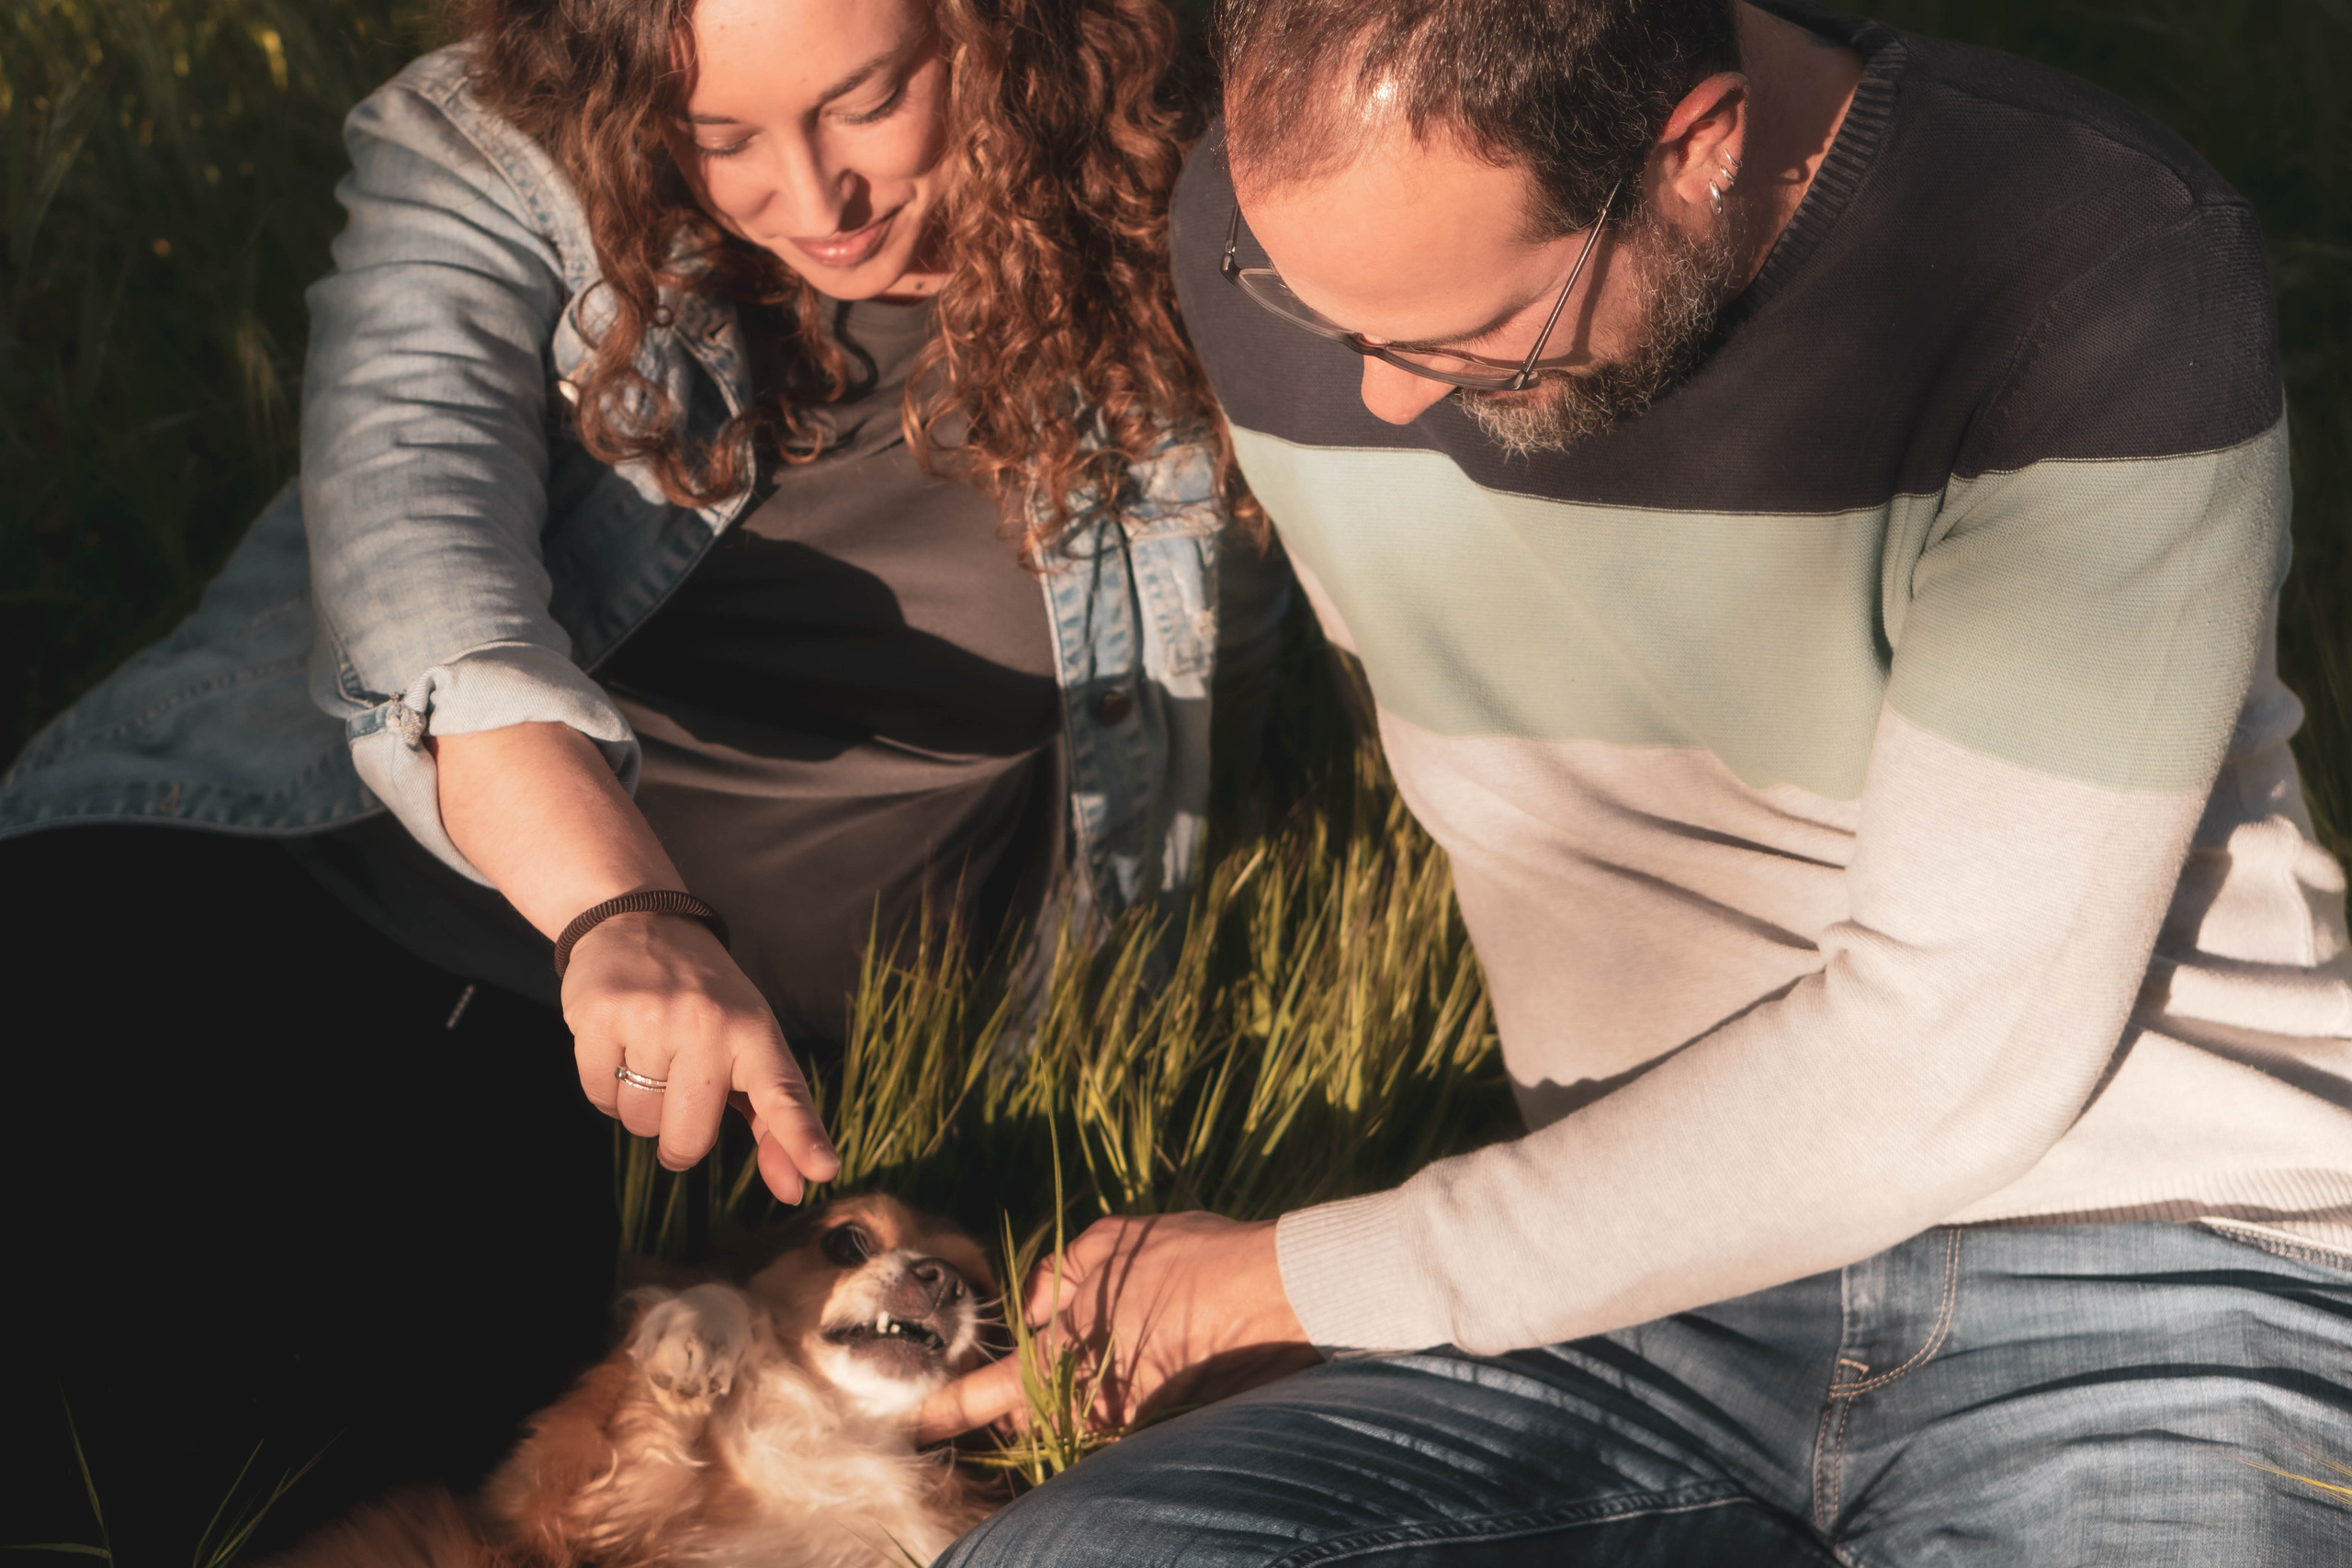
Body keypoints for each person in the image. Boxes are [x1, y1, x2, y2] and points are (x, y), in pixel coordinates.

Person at [922, 1, 2352, 1561]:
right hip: (1629, 1278)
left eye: (1470, 339)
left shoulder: (2092, 260)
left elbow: (1953, 1049)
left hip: (2147, 1259)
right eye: (1327, 319)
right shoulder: (1306, 262)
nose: (1382, 398)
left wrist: (1300, 1277)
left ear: (1701, 149)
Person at [0, 0, 1277, 1548]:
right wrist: (623, 913)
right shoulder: (492, 149)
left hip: (707, 1114)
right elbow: (417, 576)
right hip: (291, 882)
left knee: (324, 1468)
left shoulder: (1214, 186)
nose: (817, 203)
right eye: (722, 139)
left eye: (870, 101)